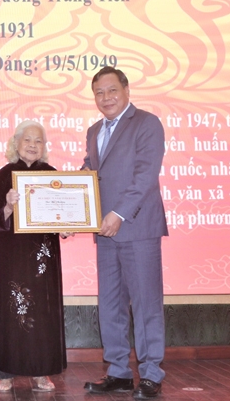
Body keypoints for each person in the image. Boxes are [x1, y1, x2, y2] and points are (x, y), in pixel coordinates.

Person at [81, 67, 168, 399]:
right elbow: (90, 173)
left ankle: (151, 373)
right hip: (106, 232)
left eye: (112, 90)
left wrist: (118, 214)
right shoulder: (94, 130)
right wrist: (71, 211)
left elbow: (146, 175)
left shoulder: (147, 123)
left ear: (127, 90)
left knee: (146, 303)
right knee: (110, 304)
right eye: (99, 93)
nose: (106, 98)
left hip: (137, 227)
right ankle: (118, 372)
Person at [0, 120, 66, 392]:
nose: (33, 145)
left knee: (44, 312)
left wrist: (67, 226)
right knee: (12, 311)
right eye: (27, 140)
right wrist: (8, 206)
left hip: (44, 256)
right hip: (13, 255)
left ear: (44, 146)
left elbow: (62, 215)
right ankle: (6, 373)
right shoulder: (4, 175)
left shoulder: (52, 174)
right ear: (16, 143)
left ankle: (41, 372)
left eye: (38, 141)